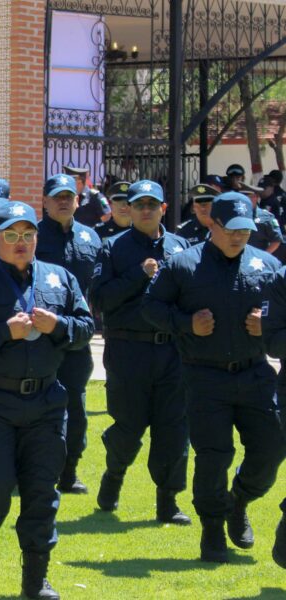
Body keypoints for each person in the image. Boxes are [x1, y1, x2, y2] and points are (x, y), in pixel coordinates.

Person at [0, 200, 94, 600]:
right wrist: (2, 332)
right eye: (11, 235)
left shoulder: (60, 278)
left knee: (42, 493)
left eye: (28, 234)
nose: (20, 242)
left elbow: (86, 326)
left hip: (46, 402)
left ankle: (35, 579)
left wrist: (58, 325)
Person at [145, 192, 286, 563]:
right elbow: (151, 307)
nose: (239, 237)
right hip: (204, 376)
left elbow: (281, 316)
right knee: (213, 455)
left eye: (246, 230)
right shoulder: (183, 264)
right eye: (232, 230)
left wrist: (267, 325)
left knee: (272, 448)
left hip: (256, 373)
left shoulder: (267, 265)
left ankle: (239, 500)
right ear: (213, 224)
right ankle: (212, 530)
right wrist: (186, 323)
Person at [88, 179, 192, 524]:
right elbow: (99, 300)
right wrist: (138, 274)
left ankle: (168, 501)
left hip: (172, 352)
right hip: (128, 350)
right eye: (139, 205)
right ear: (129, 210)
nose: (146, 210)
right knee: (129, 427)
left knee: (173, 429)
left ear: (164, 208)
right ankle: (114, 473)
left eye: (152, 205)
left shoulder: (181, 247)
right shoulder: (112, 248)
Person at [35, 174, 102, 494]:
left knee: (75, 404)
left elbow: (99, 285)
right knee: (36, 404)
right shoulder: (32, 236)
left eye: (68, 196)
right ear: (44, 202)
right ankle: (34, 468)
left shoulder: (90, 238)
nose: (63, 202)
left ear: (77, 201)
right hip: (38, 335)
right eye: (56, 197)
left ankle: (69, 471)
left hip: (75, 336)